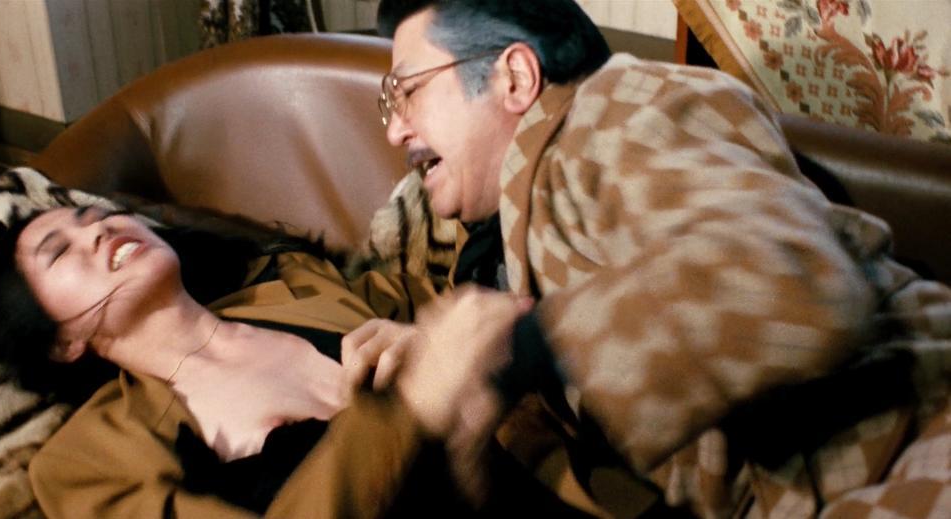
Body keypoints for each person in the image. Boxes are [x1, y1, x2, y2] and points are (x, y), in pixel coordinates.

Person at [363, 1, 951, 517]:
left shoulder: (618, 104)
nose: (394, 130)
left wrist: (514, 351)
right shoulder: (494, 234)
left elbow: (794, 279)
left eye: (407, 90)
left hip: (917, 446)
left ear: (514, 77)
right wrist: (442, 358)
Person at [0, 204, 591, 518]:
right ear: (61, 341)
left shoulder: (297, 281)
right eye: (60, 252)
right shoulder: (84, 460)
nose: (97, 230)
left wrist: (428, 345)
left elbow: (483, 310)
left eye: (98, 214)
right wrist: (410, 409)